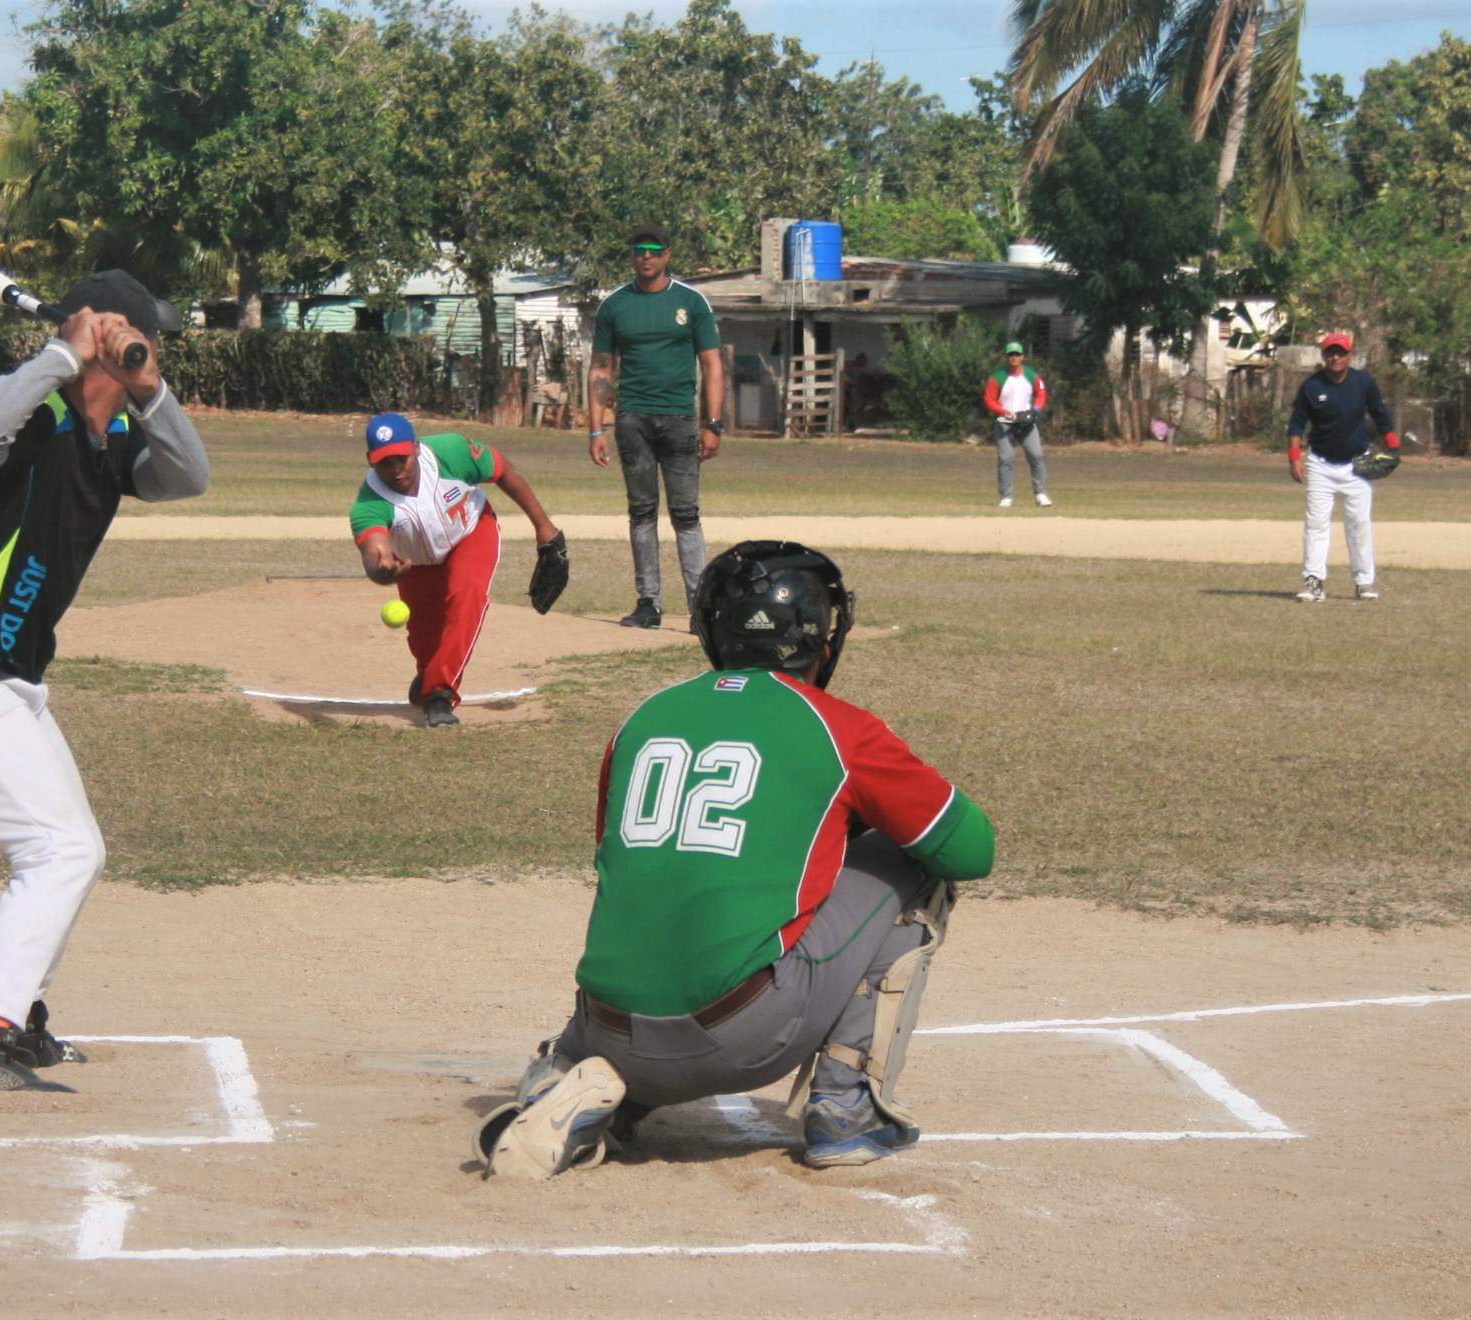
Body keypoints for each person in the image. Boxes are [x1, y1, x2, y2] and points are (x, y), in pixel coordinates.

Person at [474, 541, 997, 1179]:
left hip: (604, 1029)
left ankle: (572, 1075)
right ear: (820, 637)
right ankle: (845, 1103)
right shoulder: (841, 727)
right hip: (742, 1038)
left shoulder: (641, 719)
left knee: (668, 885)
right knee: (915, 858)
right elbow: (971, 849)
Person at [0, 271, 209, 1091]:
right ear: (101, 335)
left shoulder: (120, 439)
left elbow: (191, 476)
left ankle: (13, 1014)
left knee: (75, 851)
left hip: (10, 679)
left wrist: (151, 388)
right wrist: (60, 353)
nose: (153, 346)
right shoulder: (33, 420)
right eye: (144, 335)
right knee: (58, 849)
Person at [350, 412, 561, 728]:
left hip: (471, 533)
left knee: (466, 595)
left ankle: (439, 694)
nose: (395, 470)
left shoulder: (452, 452)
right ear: (370, 461)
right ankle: (428, 675)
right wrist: (381, 570)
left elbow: (505, 472)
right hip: (415, 564)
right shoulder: (369, 502)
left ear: (417, 448)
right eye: (384, 463)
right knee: (424, 641)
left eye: (401, 459)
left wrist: (544, 528)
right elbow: (374, 549)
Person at [587, 223, 726, 630]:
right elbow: (600, 368)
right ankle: (648, 603)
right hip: (633, 420)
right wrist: (597, 429)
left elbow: (712, 363)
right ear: (631, 256)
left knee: (686, 513)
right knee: (642, 512)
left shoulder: (691, 302)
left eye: (653, 249)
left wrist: (713, 423)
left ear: (667, 254)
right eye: (638, 250)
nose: (645, 256)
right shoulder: (615, 305)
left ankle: (700, 608)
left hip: (681, 419)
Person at [1287, 331, 1399, 603]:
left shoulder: (1363, 383)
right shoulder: (1312, 386)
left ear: (1350, 355)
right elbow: (1297, 424)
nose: (1335, 357)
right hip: (1320, 463)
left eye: (1340, 352)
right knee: (1316, 524)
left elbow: (1381, 416)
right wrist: (1294, 457)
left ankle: (1364, 582)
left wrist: (1393, 448)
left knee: (1359, 524)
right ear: (1323, 355)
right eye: (1330, 352)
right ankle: (1313, 582)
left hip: (1356, 465)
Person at [983, 340, 1052, 508]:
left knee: (1036, 456)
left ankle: (1041, 494)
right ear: (1007, 358)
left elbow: (1041, 394)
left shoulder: (1031, 376)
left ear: (1023, 357)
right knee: (1006, 458)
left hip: (1027, 423)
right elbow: (989, 399)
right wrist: (1002, 411)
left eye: (1017, 354)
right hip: (1005, 423)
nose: (1014, 357)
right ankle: (1006, 496)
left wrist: (1035, 409)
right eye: (1010, 355)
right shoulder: (997, 377)